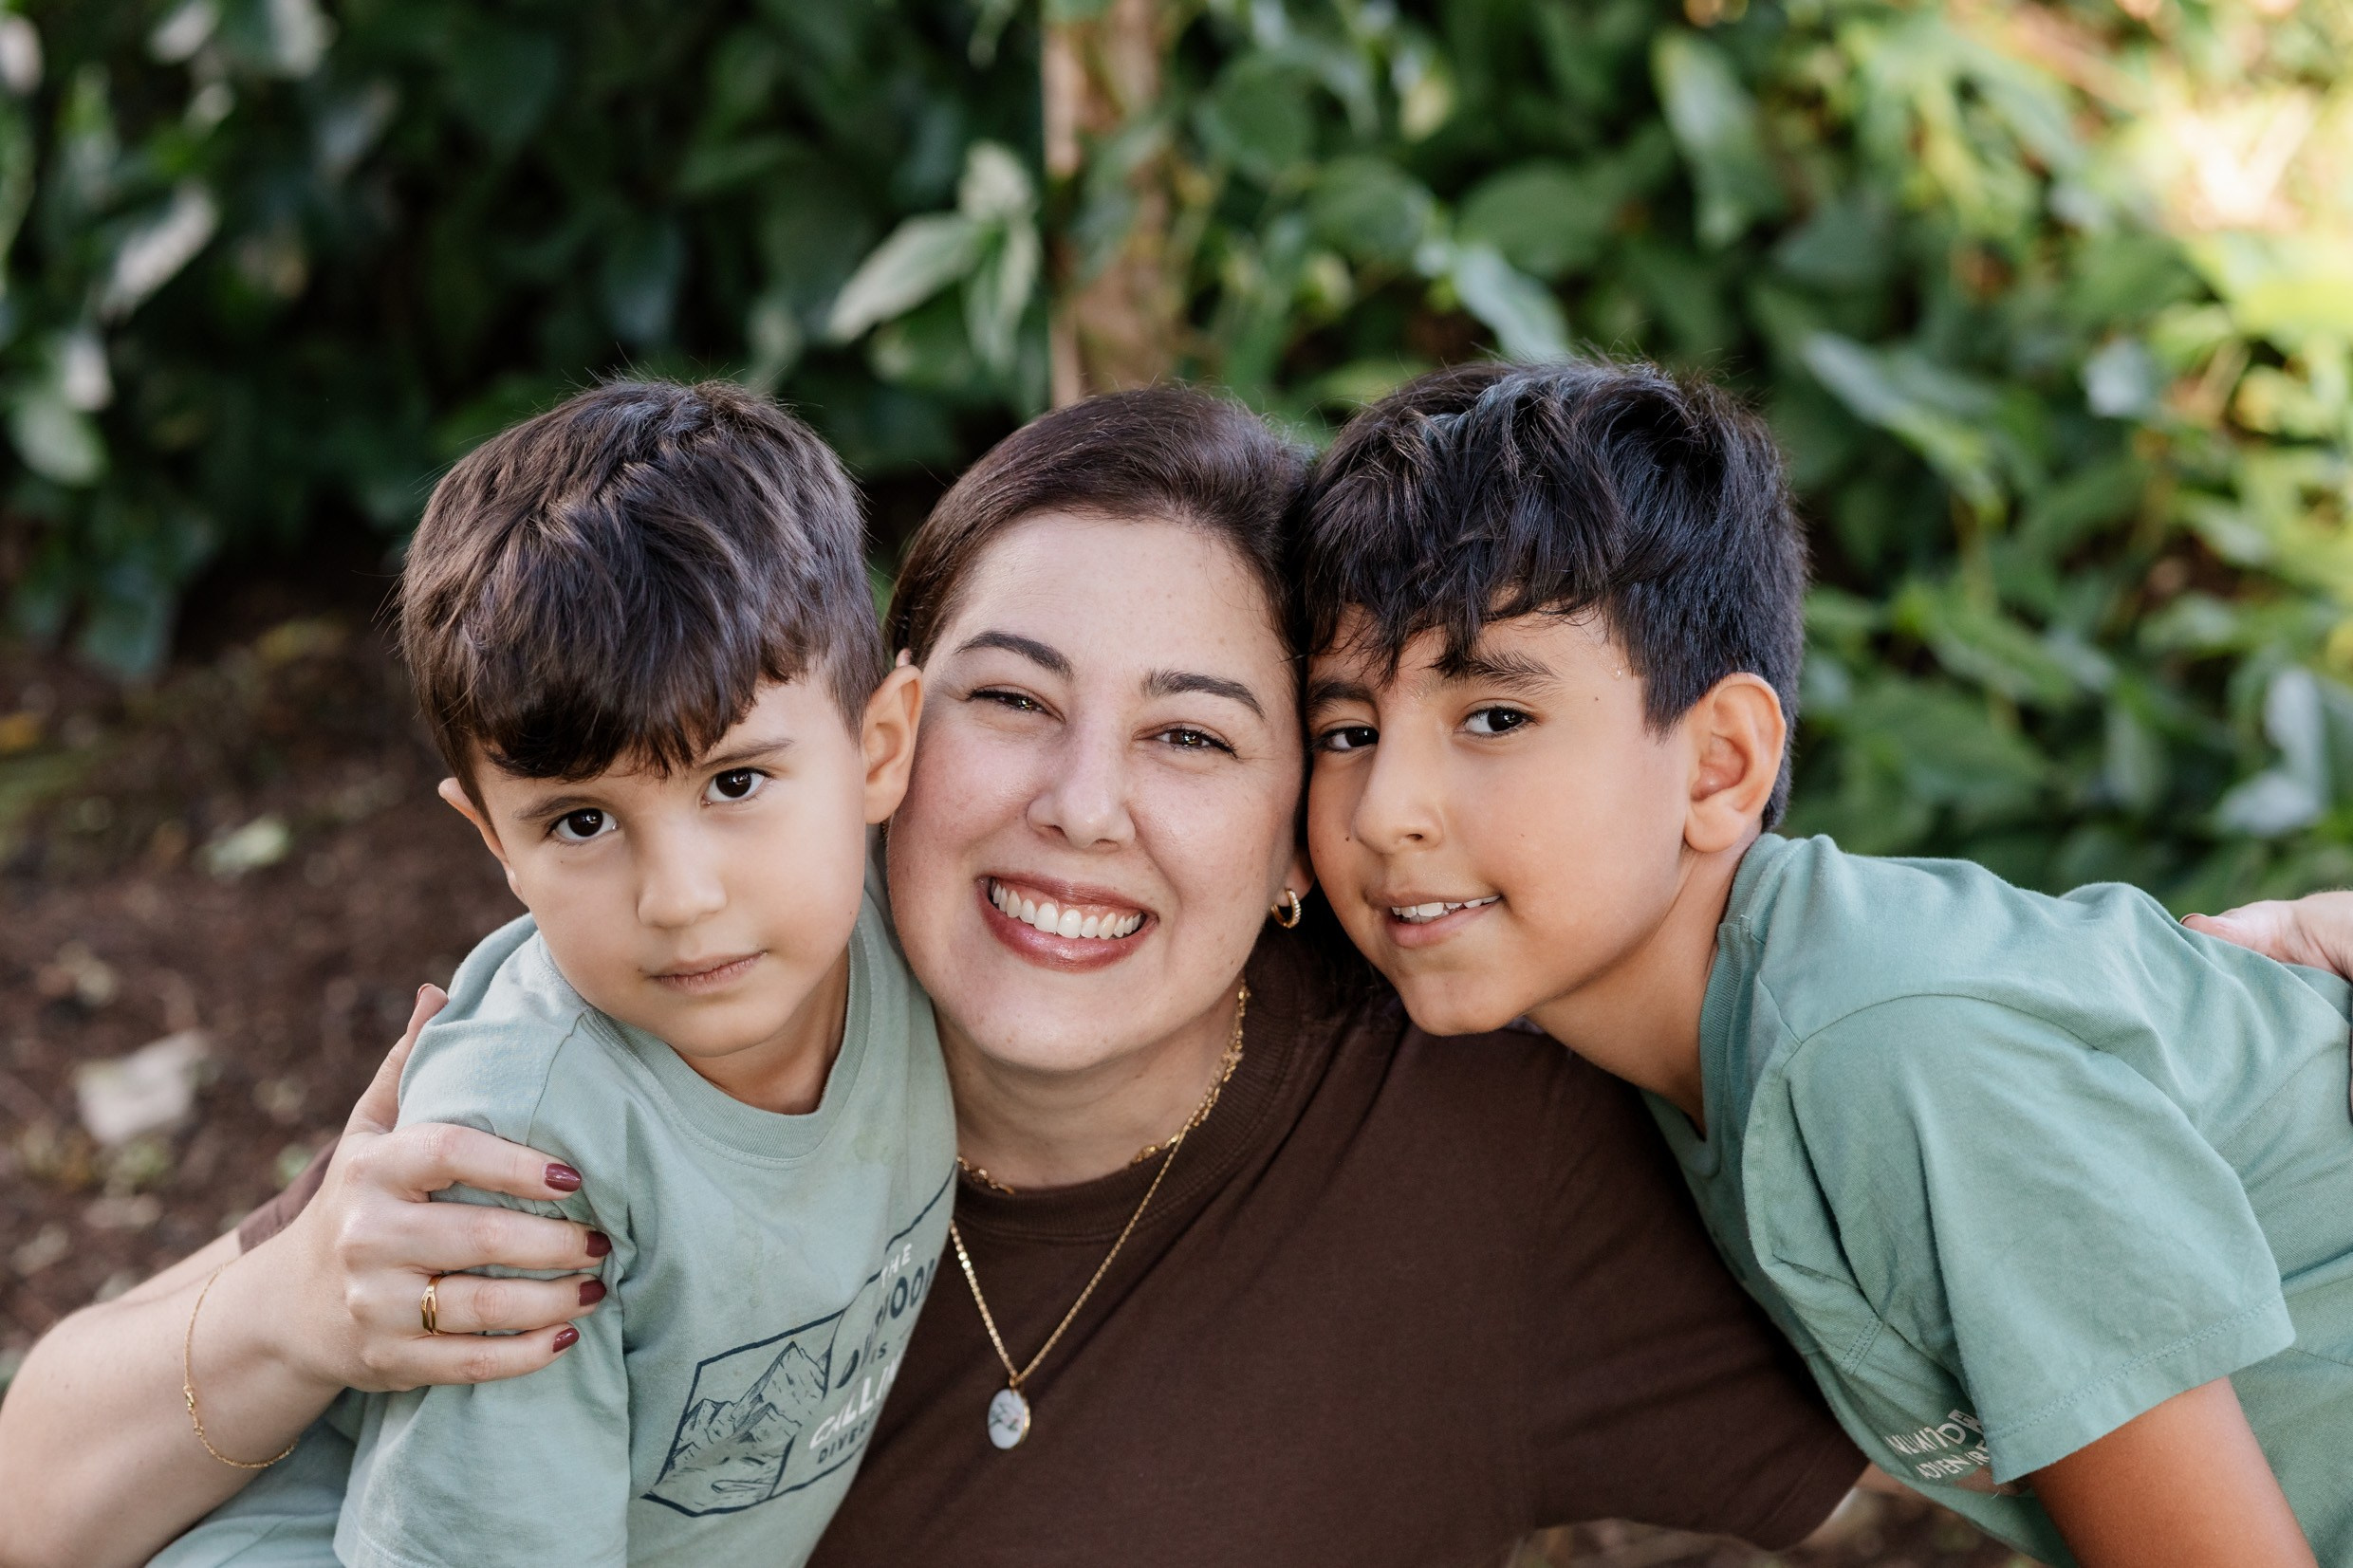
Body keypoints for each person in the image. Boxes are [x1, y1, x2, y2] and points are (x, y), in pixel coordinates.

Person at [0, 387, 1867, 1568]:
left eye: (1196, 739)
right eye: (1012, 699)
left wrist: (2094, 1005)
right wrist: (299, 1308)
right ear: (881, 741)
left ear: (1311, 807)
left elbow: (1979, 1362)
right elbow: (38, 1501)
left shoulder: (1460, 1127)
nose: (1078, 809)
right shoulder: (666, 1040)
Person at [1297, 359, 2353, 1567]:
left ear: (1718, 767)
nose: (1384, 811)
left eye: (1493, 716)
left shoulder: (1884, 1051)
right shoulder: (1710, 1052)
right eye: (1346, 730)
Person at [149, 380, 952, 1567]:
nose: (678, 898)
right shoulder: (527, 1149)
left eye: (735, 784)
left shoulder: (918, 927)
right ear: (493, 844)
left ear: (878, 750)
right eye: (580, 821)